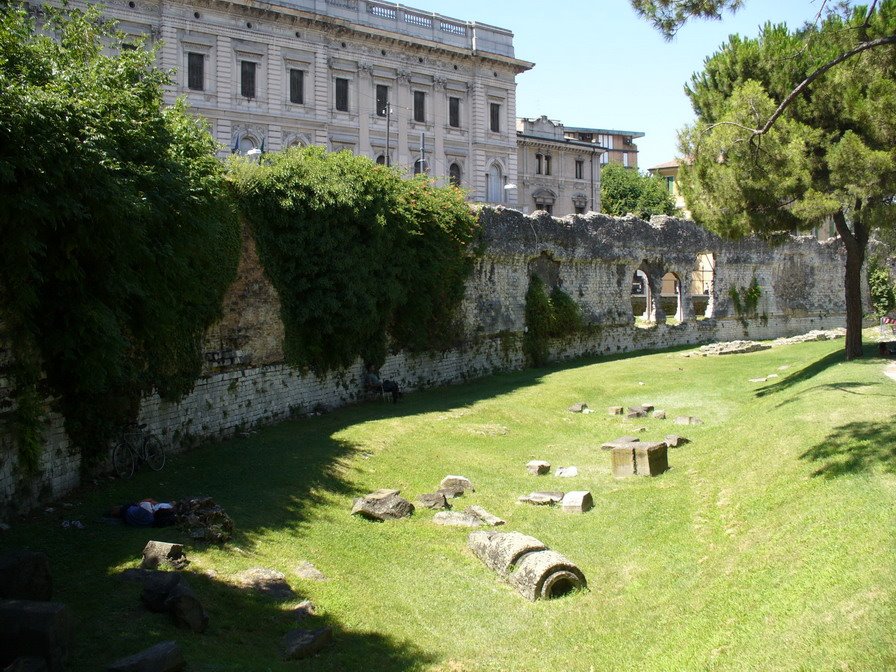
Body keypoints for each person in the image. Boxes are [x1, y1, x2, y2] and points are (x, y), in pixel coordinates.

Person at [109, 498, 177, 527]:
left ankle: (114, 511)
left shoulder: (147, 507)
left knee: (125, 507)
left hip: (129, 513)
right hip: (131, 514)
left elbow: (147, 501)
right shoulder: (152, 519)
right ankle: (114, 511)